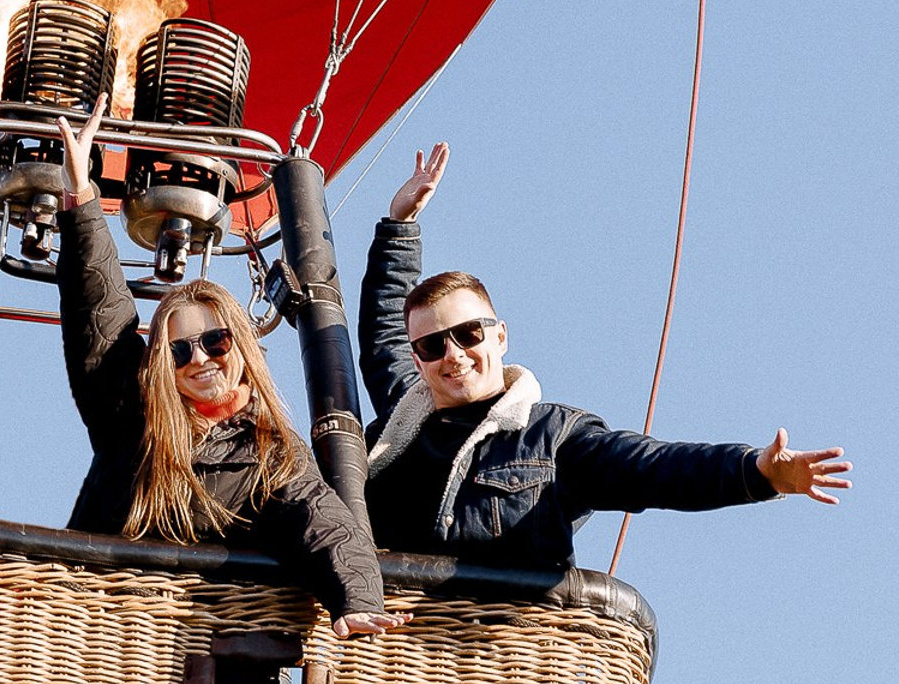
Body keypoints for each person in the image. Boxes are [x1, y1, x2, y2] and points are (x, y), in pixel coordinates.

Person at [358, 142, 850, 563]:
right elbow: (383, 331)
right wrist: (401, 225)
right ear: (418, 356)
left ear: (500, 337)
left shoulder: (553, 438)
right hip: (392, 654)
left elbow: (654, 469)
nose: (453, 354)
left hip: (504, 655)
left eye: (468, 335)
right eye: (431, 344)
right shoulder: (405, 418)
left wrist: (756, 472)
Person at [56, 97, 389, 634]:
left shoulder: (270, 452)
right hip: (97, 641)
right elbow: (101, 316)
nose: (199, 359)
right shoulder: (132, 422)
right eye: (179, 350)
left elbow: (323, 523)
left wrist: (357, 596)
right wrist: (81, 198)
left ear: (242, 347)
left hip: (207, 656)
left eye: (215, 341)